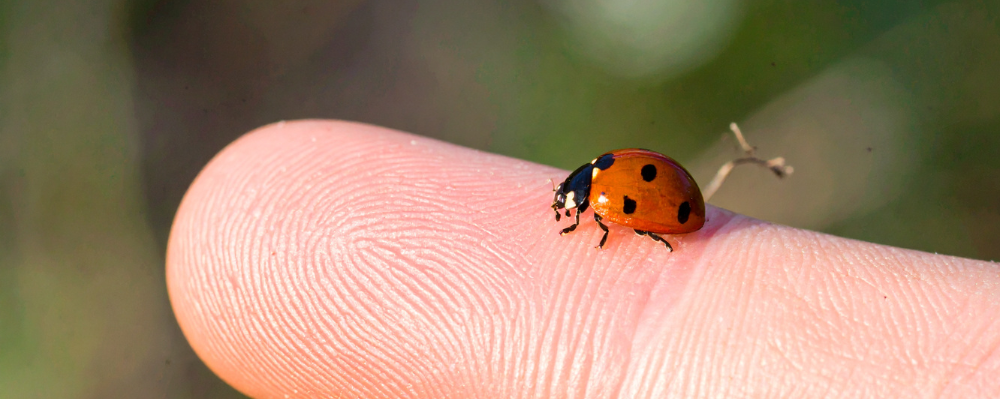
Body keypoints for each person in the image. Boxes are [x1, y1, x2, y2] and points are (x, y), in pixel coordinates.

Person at [167, 120, 1000, 398]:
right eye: (580, 207)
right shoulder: (608, 182)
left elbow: (621, 207)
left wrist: (608, 223)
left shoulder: (607, 195)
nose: (577, 211)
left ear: (580, 197)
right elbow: (625, 196)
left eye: (575, 205)